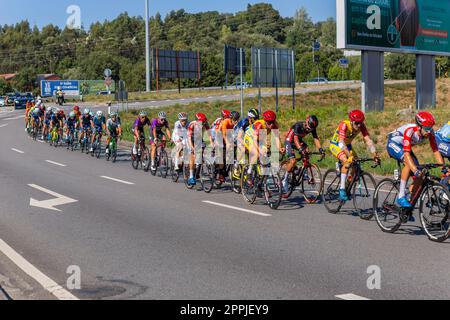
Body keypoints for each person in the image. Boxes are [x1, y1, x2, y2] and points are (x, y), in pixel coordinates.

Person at [387, 112, 446, 208]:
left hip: (406, 148)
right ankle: (401, 196)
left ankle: (408, 204)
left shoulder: (430, 132)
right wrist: (414, 170)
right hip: (394, 144)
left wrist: (443, 168)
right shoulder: (410, 131)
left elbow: (435, 150)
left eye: (431, 128)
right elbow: (406, 154)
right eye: (427, 128)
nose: (429, 131)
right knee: (409, 165)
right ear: (419, 127)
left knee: (420, 175)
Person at [329, 110, 379, 201]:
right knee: (347, 162)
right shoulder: (344, 125)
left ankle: (348, 183)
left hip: (347, 145)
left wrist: (375, 154)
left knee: (356, 166)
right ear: (351, 121)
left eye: (361, 123)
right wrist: (349, 156)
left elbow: (368, 140)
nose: (359, 125)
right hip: (336, 145)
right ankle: (342, 189)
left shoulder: (361, 126)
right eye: (357, 123)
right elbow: (341, 143)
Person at [281, 115, 325, 196]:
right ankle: (285, 179)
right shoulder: (298, 125)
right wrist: (301, 149)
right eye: (309, 127)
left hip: (298, 140)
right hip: (290, 141)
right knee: (293, 161)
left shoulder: (312, 127)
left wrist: (320, 149)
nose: (310, 129)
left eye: (312, 128)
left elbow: (315, 138)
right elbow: (295, 139)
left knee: (307, 150)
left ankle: (304, 172)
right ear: (306, 122)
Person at [243, 110, 284, 184]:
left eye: (273, 122)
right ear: (265, 121)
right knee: (256, 153)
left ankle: (261, 181)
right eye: (269, 123)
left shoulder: (275, 125)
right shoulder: (259, 124)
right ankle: (249, 172)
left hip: (260, 137)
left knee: (265, 155)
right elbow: (254, 141)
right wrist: (259, 151)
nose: (271, 125)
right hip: (250, 137)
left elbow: (277, 138)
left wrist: (280, 148)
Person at [187, 113, 214, 186]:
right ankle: (191, 176)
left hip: (199, 137)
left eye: (203, 122)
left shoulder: (205, 123)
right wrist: (192, 148)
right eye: (201, 123)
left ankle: (199, 168)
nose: (202, 124)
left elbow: (209, 134)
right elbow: (189, 138)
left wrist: (212, 143)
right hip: (191, 138)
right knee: (193, 155)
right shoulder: (192, 125)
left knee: (202, 153)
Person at [217, 111, 241, 182]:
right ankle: (221, 173)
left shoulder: (235, 124)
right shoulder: (225, 122)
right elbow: (224, 135)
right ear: (231, 119)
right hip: (220, 136)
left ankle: (230, 169)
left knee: (233, 152)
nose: (236, 121)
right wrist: (227, 143)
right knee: (223, 157)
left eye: (237, 119)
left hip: (228, 136)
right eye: (235, 120)